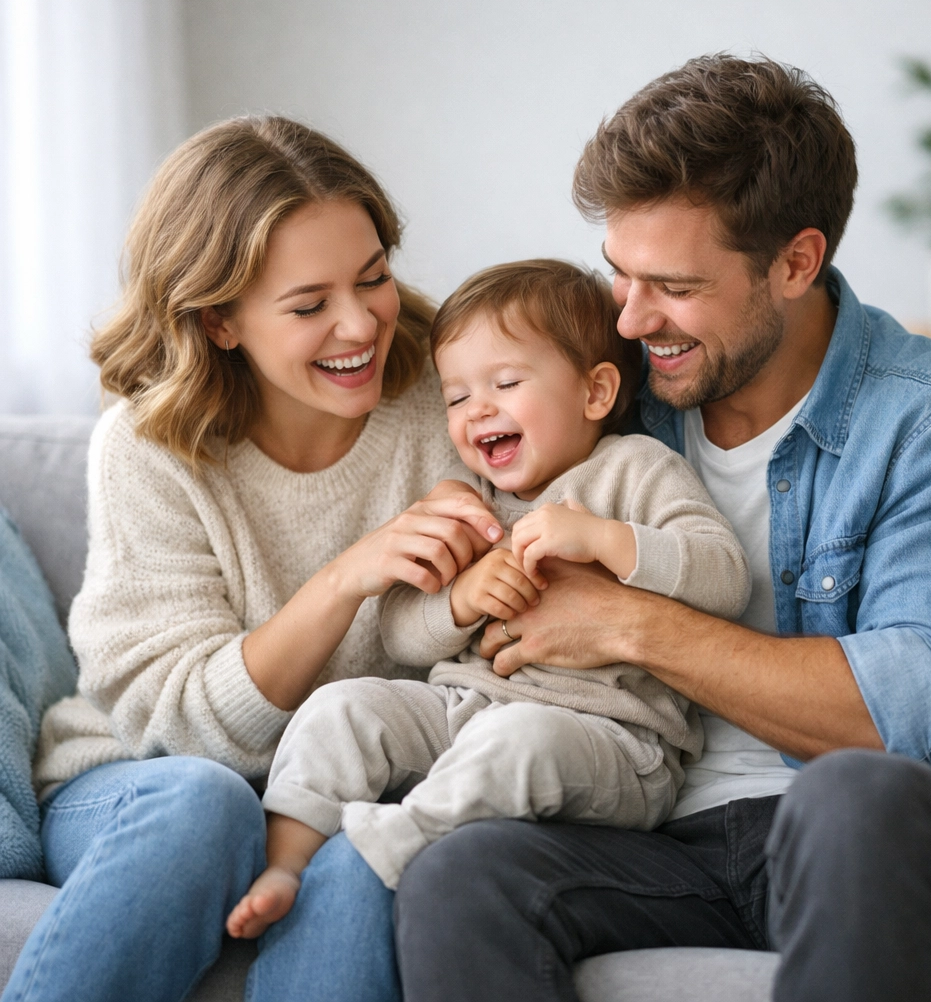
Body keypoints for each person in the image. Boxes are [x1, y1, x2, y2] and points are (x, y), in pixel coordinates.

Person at [392, 56, 931, 1002]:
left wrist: (626, 622)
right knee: (462, 873)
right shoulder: (609, 403)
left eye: (675, 286)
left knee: (852, 794)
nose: (632, 318)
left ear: (797, 262)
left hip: (883, 835)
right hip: (655, 830)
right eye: (620, 274)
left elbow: (920, 724)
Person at [3, 116, 504, 1002]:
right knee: (209, 805)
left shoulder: (453, 396)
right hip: (142, 781)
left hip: (359, 788)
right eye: (309, 305)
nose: (360, 324)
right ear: (220, 321)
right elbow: (176, 727)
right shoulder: (149, 447)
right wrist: (349, 576)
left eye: (375, 277)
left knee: (366, 853)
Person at [226, 259, 750, 937]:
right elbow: (401, 637)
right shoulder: (473, 504)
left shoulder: (635, 470)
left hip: (614, 741)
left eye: (505, 383)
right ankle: (285, 860)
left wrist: (608, 540)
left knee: (518, 738)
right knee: (345, 705)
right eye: (455, 398)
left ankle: (393, 841)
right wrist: (461, 600)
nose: (478, 410)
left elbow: (725, 576)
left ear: (595, 392)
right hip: (465, 711)